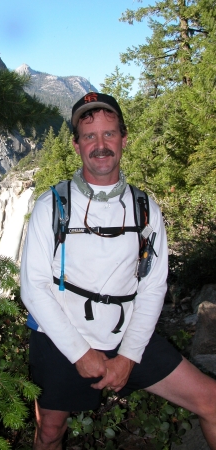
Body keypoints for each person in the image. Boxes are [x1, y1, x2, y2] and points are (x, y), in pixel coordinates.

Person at [20, 93, 216, 450]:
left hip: (127, 337)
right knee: (49, 432)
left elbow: (154, 286)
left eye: (109, 134)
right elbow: (33, 288)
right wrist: (81, 354)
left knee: (211, 402)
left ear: (124, 140)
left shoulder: (145, 208)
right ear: (77, 145)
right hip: (61, 338)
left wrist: (128, 356)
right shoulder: (52, 205)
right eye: (89, 136)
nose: (100, 145)